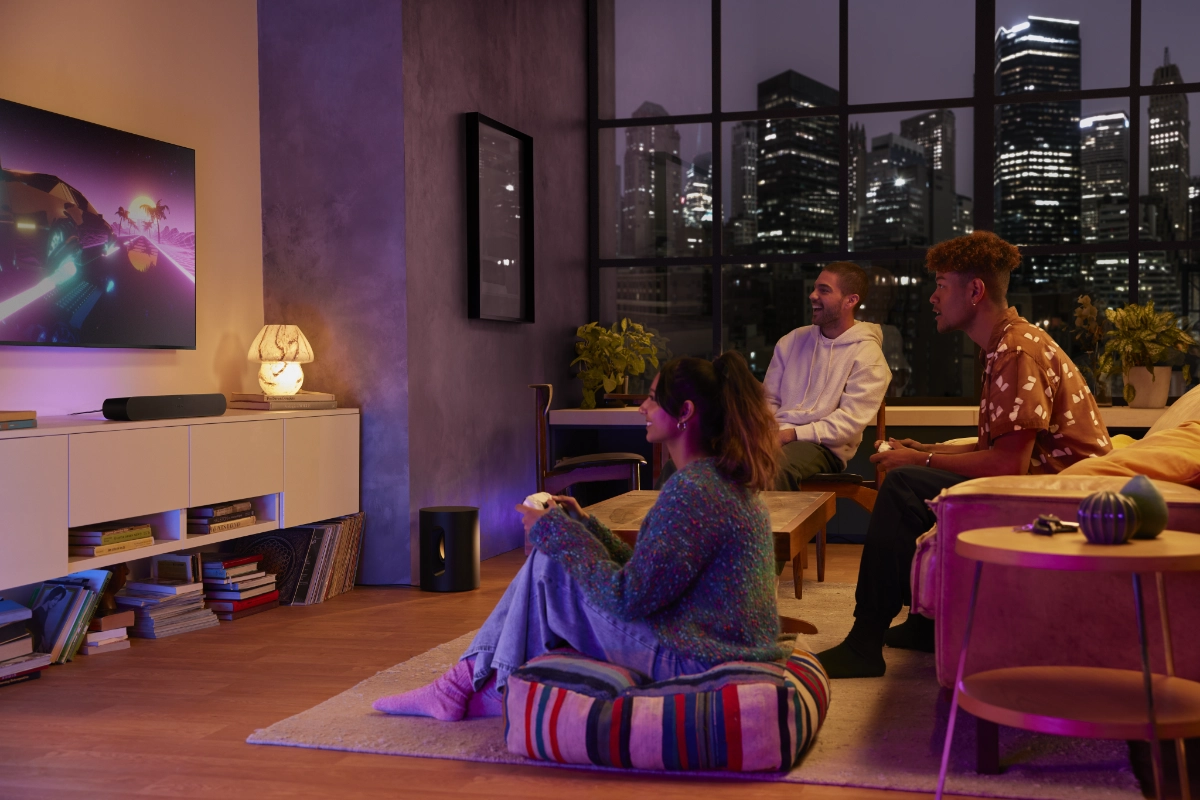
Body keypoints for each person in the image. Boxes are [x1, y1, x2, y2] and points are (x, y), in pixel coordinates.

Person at [373, 351, 786, 721]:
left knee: (548, 563)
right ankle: (475, 686)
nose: (643, 406)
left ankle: (464, 688)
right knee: (553, 554)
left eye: (653, 398)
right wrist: (584, 525)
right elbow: (653, 578)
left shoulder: (694, 490)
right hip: (714, 645)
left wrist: (553, 531)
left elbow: (628, 598)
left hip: (695, 659)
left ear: (685, 412)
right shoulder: (716, 481)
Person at [816, 230, 1113, 679]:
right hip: (1042, 485)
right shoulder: (1005, 345)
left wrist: (919, 463)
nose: (933, 297)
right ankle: (924, 624)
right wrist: (927, 448)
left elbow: (1009, 466)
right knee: (910, 473)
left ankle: (863, 644)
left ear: (974, 291)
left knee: (901, 486)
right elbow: (1005, 446)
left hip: (1060, 502)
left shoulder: (1015, 350)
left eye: (941, 285)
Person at [762, 262, 890, 491]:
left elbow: (848, 423)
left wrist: (790, 435)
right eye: (814, 288)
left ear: (850, 301)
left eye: (824, 290)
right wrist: (770, 433)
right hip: (774, 436)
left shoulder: (868, 355)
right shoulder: (791, 341)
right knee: (716, 462)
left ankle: (766, 528)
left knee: (774, 468)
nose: (812, 296)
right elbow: (768, 400)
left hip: (823, 446)